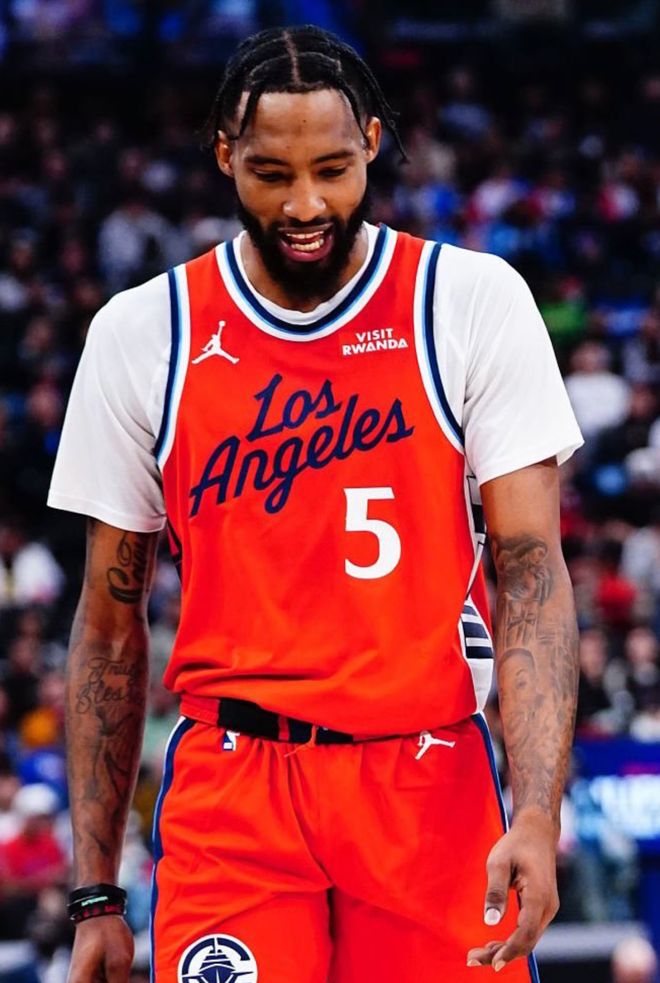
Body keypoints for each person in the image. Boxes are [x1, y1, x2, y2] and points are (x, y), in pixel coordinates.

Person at [48, 25, 583, 983]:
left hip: (429, 774)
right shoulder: (142, 334)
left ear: (372, 143)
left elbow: (531, 571)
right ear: (224, 155)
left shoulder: (469, 301)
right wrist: (95, 892)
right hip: (236, 784)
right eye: (271, 173)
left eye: (333, 169)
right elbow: (108, 624)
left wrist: (538, 812)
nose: (305, 204)